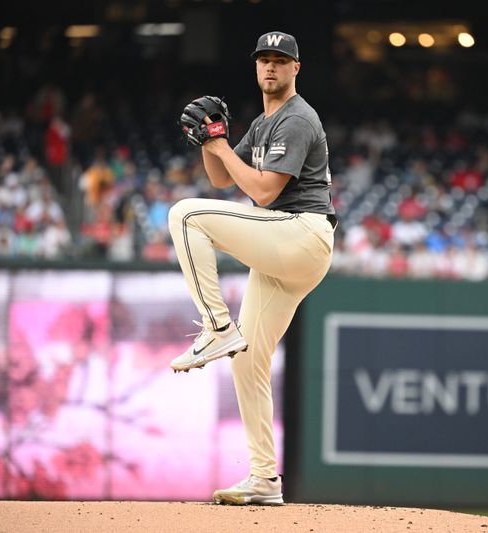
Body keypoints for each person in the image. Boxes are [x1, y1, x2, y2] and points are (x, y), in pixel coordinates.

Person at [167, 31, 335, 505]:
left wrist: (220, 146)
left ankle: (217, 325)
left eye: (281, 60)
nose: (271, 67)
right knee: (249, 361)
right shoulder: (264, 124)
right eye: (264, 59)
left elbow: (262, 192)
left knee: (185, 214)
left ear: (296, 69)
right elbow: (221, 178)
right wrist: (208, 140)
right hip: (283, 248)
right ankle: (263, 478)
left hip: (301, 233)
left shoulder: (297, 118)